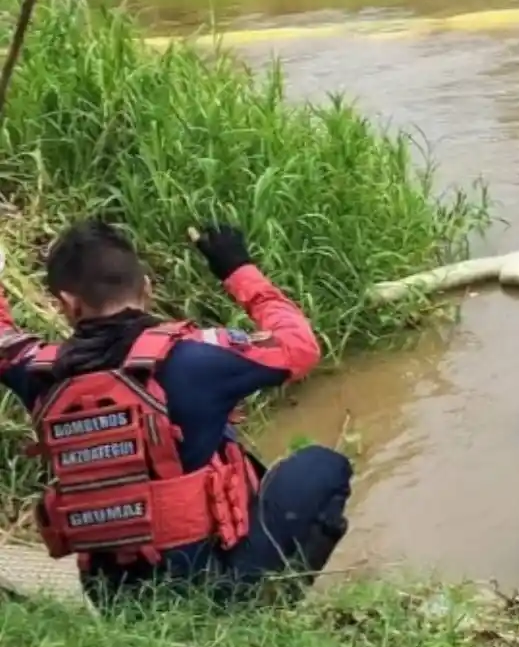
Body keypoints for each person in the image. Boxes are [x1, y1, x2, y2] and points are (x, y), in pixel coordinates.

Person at [0, 218, 352, 609]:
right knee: (324, 467)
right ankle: (261, 609)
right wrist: (238, 269)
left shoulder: (36, 372)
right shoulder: (195, 356)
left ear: (67, 303)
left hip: (114, 600)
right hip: (213, 589)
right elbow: (300, 346)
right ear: (147, 288)